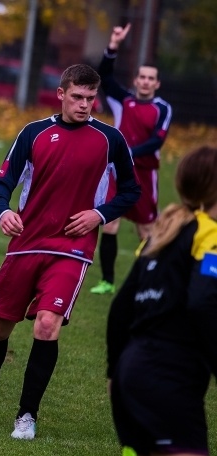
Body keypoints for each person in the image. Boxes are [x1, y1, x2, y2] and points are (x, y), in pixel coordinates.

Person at [0, 64, 140, 440]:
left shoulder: (110, 139)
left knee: (46, 325)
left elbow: (131, 190)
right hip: (26, 244)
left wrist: (99, 214)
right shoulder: (34, 133)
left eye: (91, 98)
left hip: (72, 248)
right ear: (61, 94)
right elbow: (1, 184)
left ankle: (27, 414)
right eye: (77, 97)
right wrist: (3, 212)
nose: (84, 104)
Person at [107, 145, 217, 456]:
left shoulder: (161, 233)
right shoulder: (209, 235)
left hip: (131, 376)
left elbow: (120, 310)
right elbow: (203, 302)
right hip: (168, 378)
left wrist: (113, 373)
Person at [91, 23, 173, 295]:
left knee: (146, 230)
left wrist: (129, 152)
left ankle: (148, 282)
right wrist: (113, 45)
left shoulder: (162, 109)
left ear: (157, 84)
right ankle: (107, 282)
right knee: (110, 223)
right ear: (136, 80)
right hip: (118, 172)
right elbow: (104, 75)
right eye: (142, 77)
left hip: (145, 175)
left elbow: (157, 141)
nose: (146, 81)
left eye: (151, 78)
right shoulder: (123, 101)